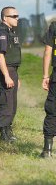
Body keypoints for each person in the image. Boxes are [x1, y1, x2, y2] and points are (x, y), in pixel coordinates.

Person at [0, 6, 21, 143]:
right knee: (5, 103)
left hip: (12, 71)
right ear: (5, 18)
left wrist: (16, 76)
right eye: (13, 16)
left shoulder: (10, 32)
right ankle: (4, 135)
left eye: (17, 16)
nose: (17, 19)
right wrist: (6, 76)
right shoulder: (1, 33)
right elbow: (0, 56)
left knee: (12, 104)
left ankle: (8, 131)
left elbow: (11, 57)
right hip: (5, 72)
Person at [40, 21, 56, 157]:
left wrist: (45, 76)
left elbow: (47, 52)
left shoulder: (54, 26)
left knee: (52, 110)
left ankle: (47, 150)